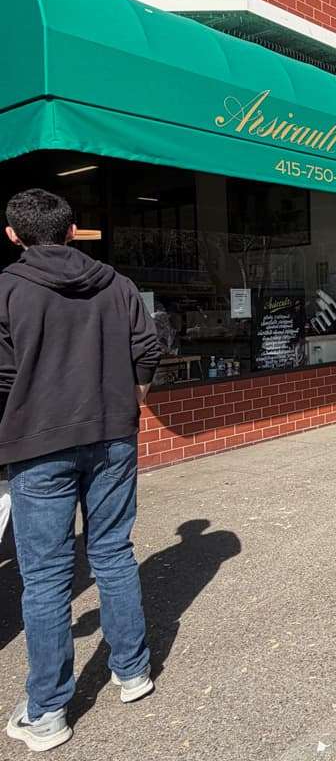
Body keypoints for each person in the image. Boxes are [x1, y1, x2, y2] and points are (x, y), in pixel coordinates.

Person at [2, 188, 161, 753]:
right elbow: (149, 348)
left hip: (38, 445)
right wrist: (130, 402)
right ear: (73, 231)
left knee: (45, 577)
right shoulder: (117, 285)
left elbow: (1, 376)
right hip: (113, 437)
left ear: (13, 235)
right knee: (113, 551)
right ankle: (133, 672)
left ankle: (47, 711)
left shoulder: (7, 289)